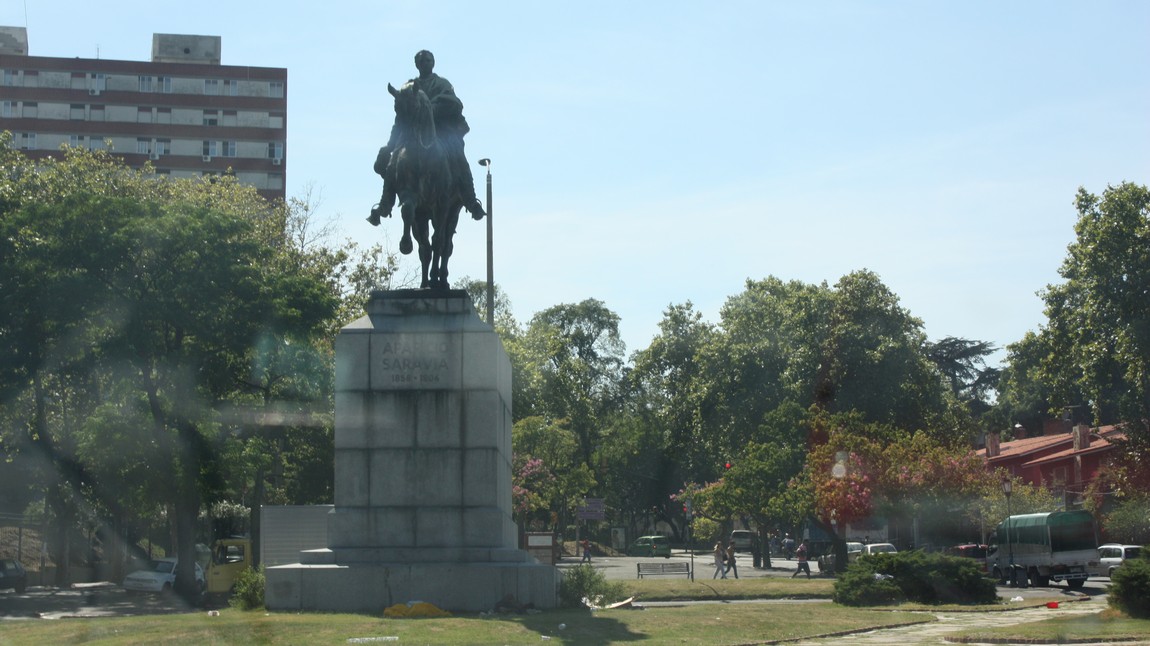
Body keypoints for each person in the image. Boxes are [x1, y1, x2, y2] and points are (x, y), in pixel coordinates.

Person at [370, 50, 486, 225]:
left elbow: (454, 104)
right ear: (417, 65)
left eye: (428, 60)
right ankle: (385, 204)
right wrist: (390, 146)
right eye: (422, 61)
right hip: (411, 135)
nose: (425, 63)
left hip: (440, 133)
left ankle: (471, 200)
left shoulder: (441, 84)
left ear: (433, 63)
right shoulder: (407, 87)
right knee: (393, 162)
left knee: (459, 158)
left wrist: (431, 108)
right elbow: (400, 119)